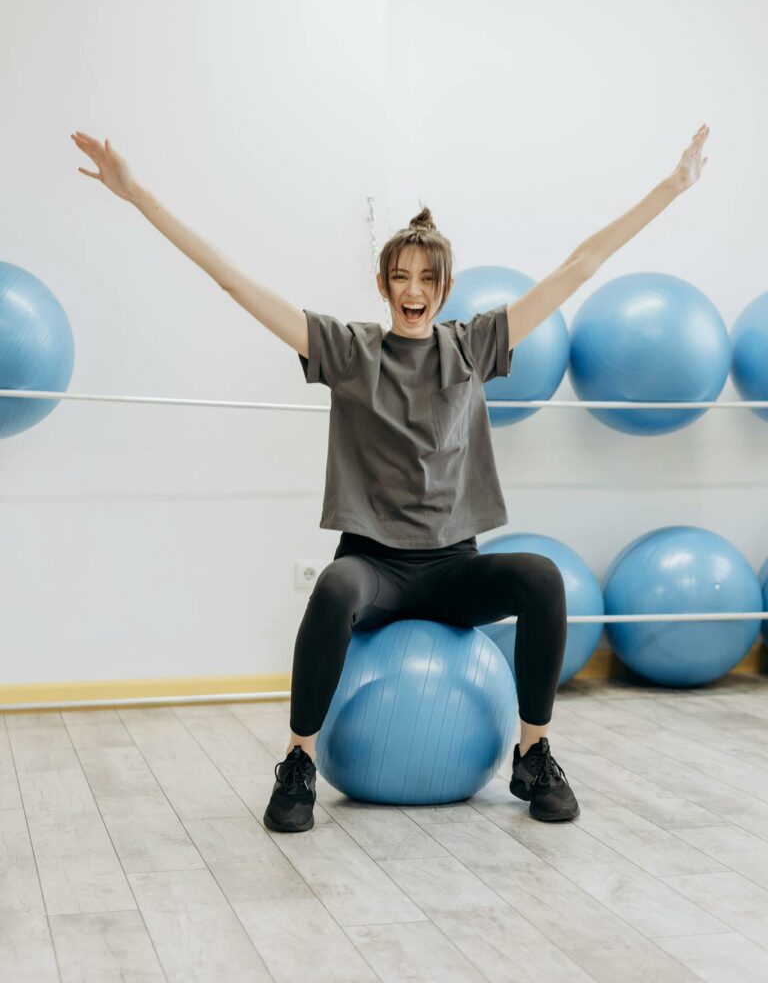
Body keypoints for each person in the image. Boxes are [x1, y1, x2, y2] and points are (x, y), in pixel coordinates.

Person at [70, 124, 710, 832]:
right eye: (400, 277)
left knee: (540, 577)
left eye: (426, 279)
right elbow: (230, 279)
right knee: (334, 586)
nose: (413, 290)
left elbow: (578, 267)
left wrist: (670, 188)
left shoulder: (472, 348)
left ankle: (533, 753)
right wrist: (137, 196)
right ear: (383, 284)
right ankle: (299, 764)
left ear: (444, 288)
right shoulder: (348, 351)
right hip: (374, 567)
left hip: (451, 568)